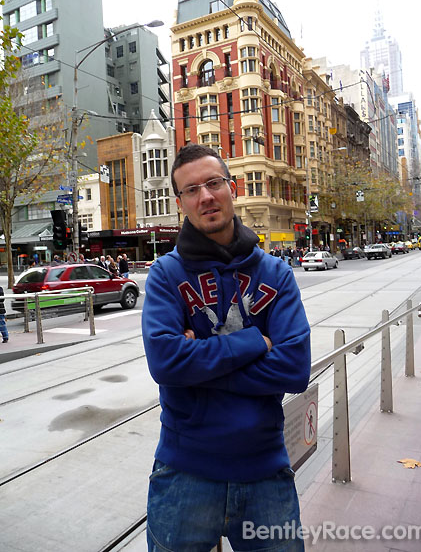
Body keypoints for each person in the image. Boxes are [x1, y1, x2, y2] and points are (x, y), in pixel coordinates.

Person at [142, 144, 311, 551]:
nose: (205, 196)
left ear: (232, 188)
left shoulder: (275, 273)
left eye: (213, 183)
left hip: (265, 471)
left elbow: (294, 369)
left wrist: (197, 361)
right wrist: (255, 342)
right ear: (180, 202)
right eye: (191, 190)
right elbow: (165, 362)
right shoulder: (165, 274)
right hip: (184, 472)